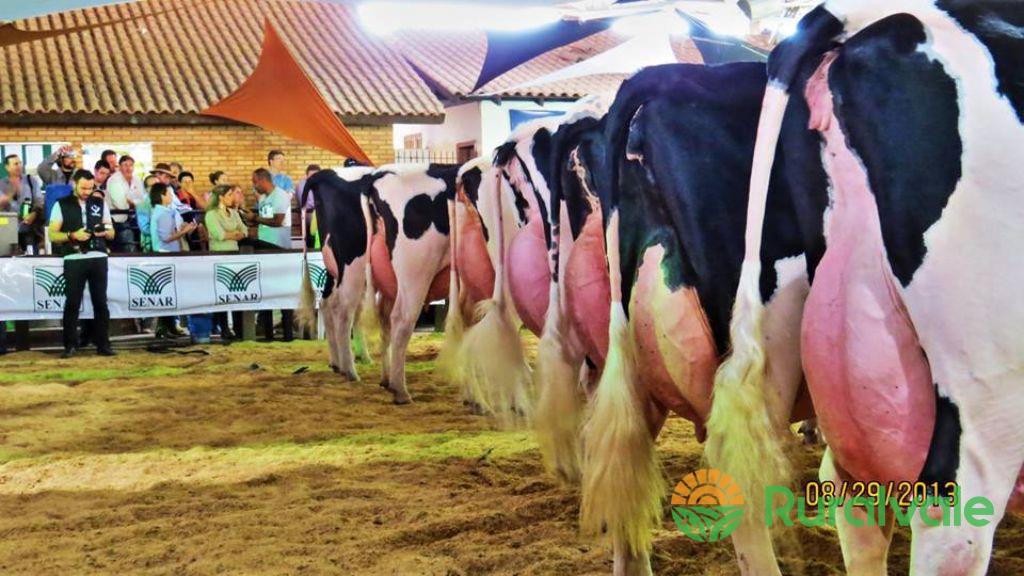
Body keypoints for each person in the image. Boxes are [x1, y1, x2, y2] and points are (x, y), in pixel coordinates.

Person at [48, 169, 116, 358]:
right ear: (74, 185)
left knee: (101, 302)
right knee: (72, 302)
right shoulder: (61, 204)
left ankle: (103, 344)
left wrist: (104, 232)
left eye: (90, 188)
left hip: (98, 255)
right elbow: (52, 234)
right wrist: (72, 235)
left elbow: (112, 232)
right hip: (74, 257)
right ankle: (70, 345)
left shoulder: (99, 203)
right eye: (83, 188)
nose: (87, 191)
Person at [244, 168, 294, 340]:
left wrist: (255, 218)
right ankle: (268, 333)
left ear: (262, 180)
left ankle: (287, 333)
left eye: (254, 182)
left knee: (283, 290)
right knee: (266, 289)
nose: (253, 186)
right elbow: (266, 221)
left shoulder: (280, 195)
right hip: (264, 247)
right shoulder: (264, 198)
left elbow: (277, 221)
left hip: (278, 248)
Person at [150, 182, 196, 339]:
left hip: (166, 253)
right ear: (162, 195)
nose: (171, 197)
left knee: (167, 292)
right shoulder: (162, 213)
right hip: (165, 254)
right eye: (169, 194)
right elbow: (167, 237)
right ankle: (164, 327)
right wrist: (185, 231)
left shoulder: (162, 211)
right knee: (167, 292)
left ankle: (167, 326)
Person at [206, 184, 247, 340]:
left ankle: (238, 327)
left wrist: (234, 234)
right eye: (230, 194)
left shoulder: (234, 213)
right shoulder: (211, 214)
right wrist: (234, 234)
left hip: (235, 254)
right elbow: (219, 234)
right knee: (222, 293)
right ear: (221, 197)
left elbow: (244, 230)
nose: (232, 197)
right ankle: (224, 328)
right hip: (219, 256)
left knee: (237, 291)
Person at [0, 153, 45, 253]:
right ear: (7, 167)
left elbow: (39, 201)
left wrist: (34, 213)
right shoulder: (1, 184)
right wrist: (7, 197)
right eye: (15, 164)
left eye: (20, 163)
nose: (19, 166)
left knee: (32, 260)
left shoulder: (31, 181)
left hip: (30, 230)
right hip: (8, 231)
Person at [106, 154, 145, 253]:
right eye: (125, 165)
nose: (128, 168)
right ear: (119, 166)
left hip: (136, 218)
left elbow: (142, 200)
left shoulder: (137, 179)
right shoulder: (114, 180)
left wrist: (131, 202)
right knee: (128, 241)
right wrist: (134, 203)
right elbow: (120, 205)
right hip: (118, 219)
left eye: (131, 165)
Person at [294, 164, 320, 249]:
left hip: (318, 213)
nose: (314, 177)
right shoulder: (302, 185)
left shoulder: (321, 184)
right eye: (311, 175)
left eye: (316, 175)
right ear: (306, 175)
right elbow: (303, 202)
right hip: (308, 213)